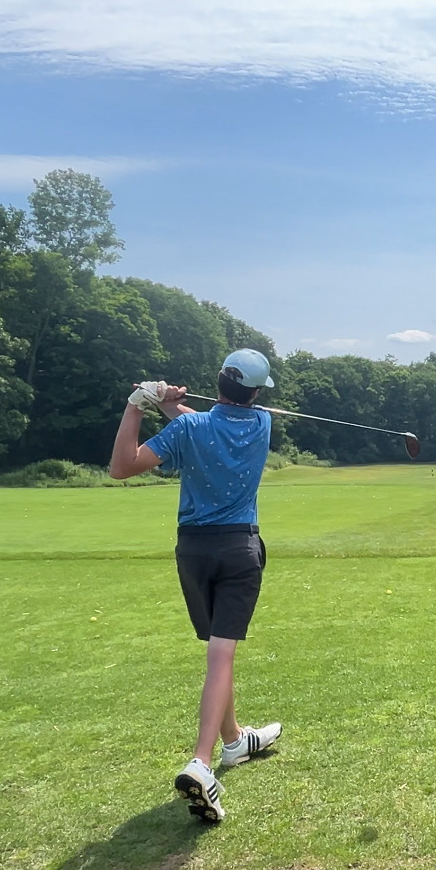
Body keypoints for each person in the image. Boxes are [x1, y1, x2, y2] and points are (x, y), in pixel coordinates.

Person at [109, 349, 283, 822]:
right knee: (221, 655)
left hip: (193, 551)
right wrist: (166, 404)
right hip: (239, 551)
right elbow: (211, 425)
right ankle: (201, 763)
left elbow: (122, 466)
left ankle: (235, 742)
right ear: (255, 393)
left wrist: (138, 405)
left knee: (216, 649)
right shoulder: (262, 423)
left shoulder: (191, 429)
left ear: (219, 381)